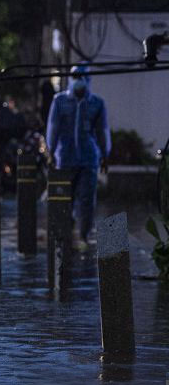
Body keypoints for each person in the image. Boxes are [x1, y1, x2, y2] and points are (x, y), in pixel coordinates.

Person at [46, 64, 111, 249]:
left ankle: (84, 235)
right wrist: (51, 153)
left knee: (87, 199)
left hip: (88, 158)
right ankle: (65, 235)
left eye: (82, 76)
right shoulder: (60, 101)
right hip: (65, 158)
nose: (79, 80)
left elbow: (102, 130)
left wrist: (105, 155)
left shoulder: (96, 103)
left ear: (88, 79)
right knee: (65, 198)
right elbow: (53, 128)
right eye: (75, 76)